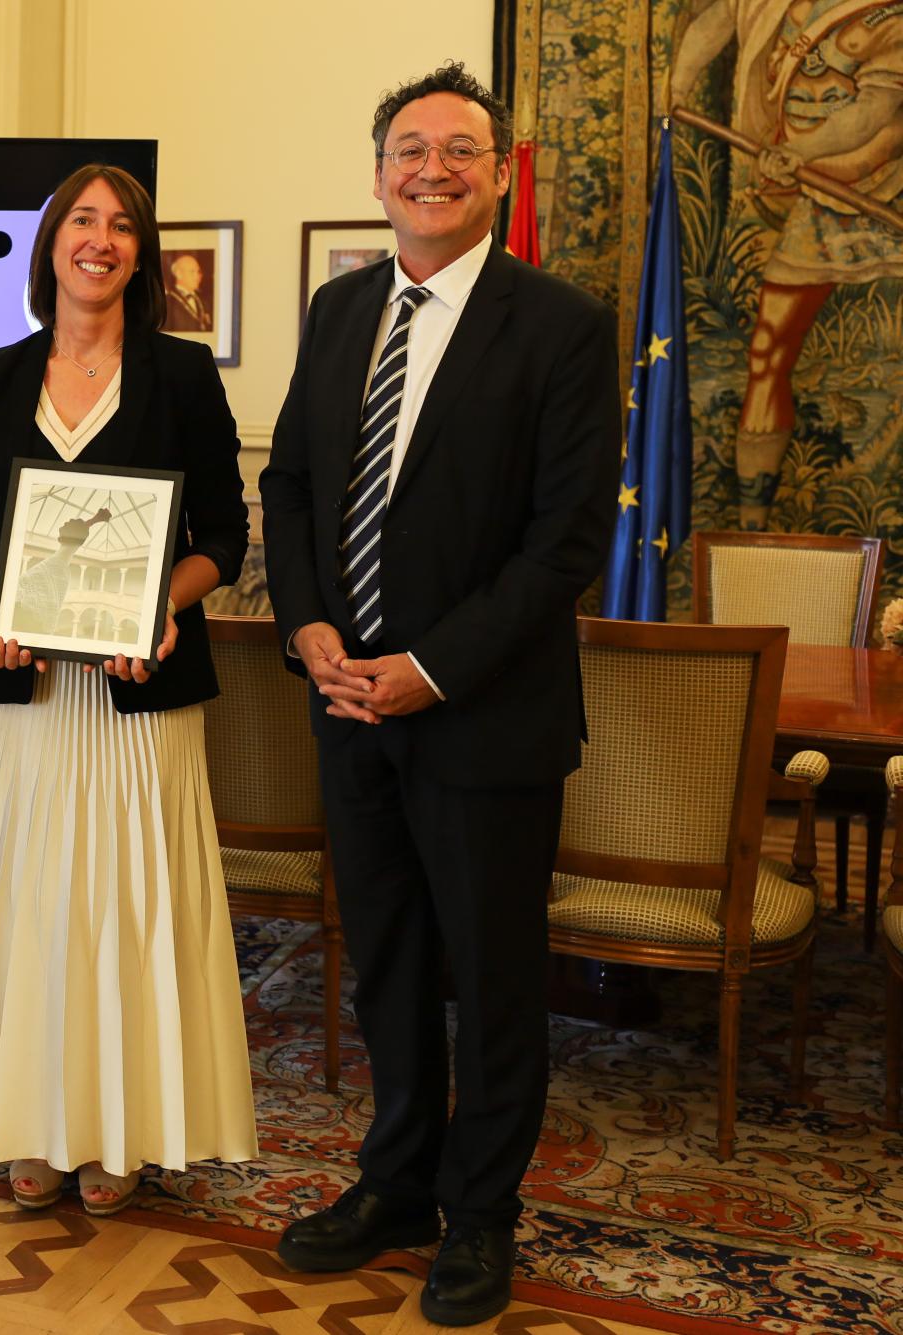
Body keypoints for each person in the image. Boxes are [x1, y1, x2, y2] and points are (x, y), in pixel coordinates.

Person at [258, 63, 619, 1326]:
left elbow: (562, 545)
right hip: (346, 708)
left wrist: (429, 669)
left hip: (482, 719)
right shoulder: (337, 309)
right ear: (377, 176)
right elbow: (291, 488)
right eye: (408, 149)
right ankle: (396, 1185)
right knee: (388, 968)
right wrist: (307, 626)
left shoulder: (560, 325)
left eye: (458, 150)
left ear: (498, 175)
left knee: (494, 979)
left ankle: (481, 1217)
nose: (431, 169)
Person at [0, 162, 256, 1218]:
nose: (100, 239)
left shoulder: (183, 374)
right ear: (50, 244)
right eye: (82, 220)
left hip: (139, 693)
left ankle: (123, 1131)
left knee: (127, 908)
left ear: (141, 252)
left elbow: (223, 534)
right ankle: (34, 1123)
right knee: (30, 906)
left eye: (121, 225)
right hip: (23, 696)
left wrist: (161, 603)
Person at [667, 0, 903, 528]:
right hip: (811, 204)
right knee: (767, 352)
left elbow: (872, 115)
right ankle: (754, 528)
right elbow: (717, 22)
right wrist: (678, 84)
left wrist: (805, 152)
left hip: (876, 192)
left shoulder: (886, 18)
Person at [8, 505, 109, 636]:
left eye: (68, 524)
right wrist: (93, 520)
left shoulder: (58, 570)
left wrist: (92, 521)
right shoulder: (57, 565)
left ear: (73, 535)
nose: (64, 523)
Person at [165, 253, 212, 331]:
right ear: (179, 274)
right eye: (192, 272)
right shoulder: (167, 302)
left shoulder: (205, 301)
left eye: (198, 271)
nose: (198, 276)